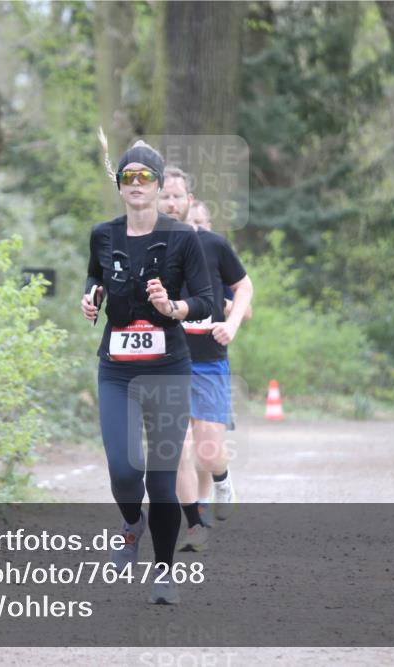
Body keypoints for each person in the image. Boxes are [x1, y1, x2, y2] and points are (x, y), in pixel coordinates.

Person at [81, 142, 213, 604]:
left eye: (145, 178)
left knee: (160, 478)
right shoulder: (102, 234)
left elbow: (207, 300)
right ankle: (131, 525)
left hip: (168, 370)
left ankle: (163, 573)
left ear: (159, 186)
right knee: (122, 471)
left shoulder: (182, 237)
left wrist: (172, 307)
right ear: (119, 185)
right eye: (128, 177)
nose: (136, 184)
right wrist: (90, 298)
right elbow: (95, 278)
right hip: (117, 370)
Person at [157, 168, 252, 552]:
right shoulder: (151, 247)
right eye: (165, 196)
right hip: (169, 362)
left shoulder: (213, 245)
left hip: (209, 361)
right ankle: (194, 524)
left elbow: (244, 287)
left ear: (189, 201)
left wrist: (231, 323)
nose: (171, 203)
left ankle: (223, 479)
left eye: (178, 196)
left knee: (209, 451)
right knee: (177, 449)